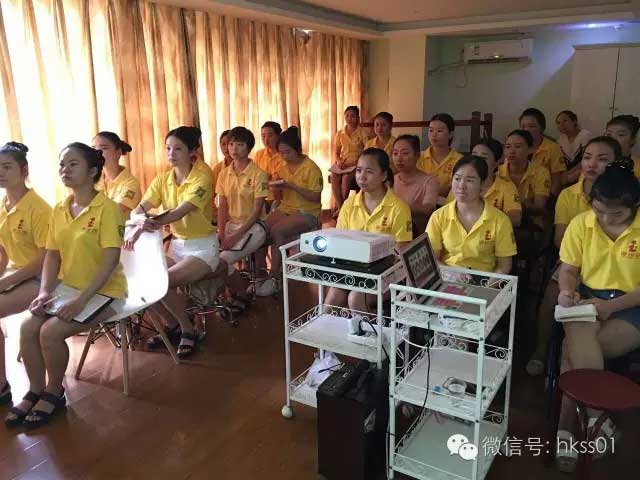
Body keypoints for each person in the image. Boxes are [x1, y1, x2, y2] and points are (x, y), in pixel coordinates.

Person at [5, 143, 126, 429]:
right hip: (68, 288)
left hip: (104, 291)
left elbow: (110, 261)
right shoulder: (60, 208)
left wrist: (81, 300)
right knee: (28, 327)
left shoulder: (107, 209)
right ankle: (35, 390)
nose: (65, 170)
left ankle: (54, 392)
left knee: (50, 332)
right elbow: (52, 255)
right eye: (62, 164)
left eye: (73, 164)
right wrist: (45, 291)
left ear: (92, 171)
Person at [555, 164, 640, 472]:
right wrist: (567, 291)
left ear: (634, 206)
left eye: (616, 215)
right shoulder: (582, 223)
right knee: (579, 338)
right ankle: (597, 418)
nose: (605, 220)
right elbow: (568, 270)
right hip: (588, 299)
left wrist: (611, 307)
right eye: (599, 211)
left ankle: (567, 426)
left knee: (572, 352)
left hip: (631, 305)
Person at [526, 136, 622, 377]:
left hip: (617, 264)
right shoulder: (569, 195)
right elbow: (560, 239)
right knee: (552, 297)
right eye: (587, 158)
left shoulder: (626, 196)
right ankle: (540, 349)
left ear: (617, 164)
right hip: (575, 260)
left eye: (602, 159)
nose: (592, 164)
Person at [126, 127, 217, 358]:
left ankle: (188, 329)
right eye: (168, 148)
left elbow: (179, 212)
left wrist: (146, 223)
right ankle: (173, 324)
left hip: (202, 247)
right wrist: (140, 221)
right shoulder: (163, 179)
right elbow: (138, 210)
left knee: (163, 283)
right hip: (177, 246)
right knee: (145, 282)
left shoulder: (202, 177)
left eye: (178, 149)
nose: (171, 154)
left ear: (192, 151)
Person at [325, 148, 412, 312]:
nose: (361, 177)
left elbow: (401, 250)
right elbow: (340, 240)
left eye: (369, 172)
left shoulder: (399, 208)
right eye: (359, 170)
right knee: (331, 302)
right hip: (353, 268)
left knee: (355, 298)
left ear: (384, 175)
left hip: (386, 272)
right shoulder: (349, 204)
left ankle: (371, 328)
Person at [0, 143, 51, 409]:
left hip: (44, 278)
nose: (1, 173)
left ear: (24, 170)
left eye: (7, 167)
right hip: (17, 274)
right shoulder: (4, 205)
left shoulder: (38, 209)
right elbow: (2, 252)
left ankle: (2, 386)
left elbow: (45, 258)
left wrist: (8, 281)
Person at [255, 126, 323, 297]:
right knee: (260, 229)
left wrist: (292, 186)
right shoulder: (282, 167)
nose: (285, 156)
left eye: (288, 152)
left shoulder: (311, 168)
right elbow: (279, 195)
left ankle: (275, 276)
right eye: (282, 153)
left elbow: (315, 198)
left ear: (297, 149)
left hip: (307, 211)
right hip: (286, 207)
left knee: (278, 231)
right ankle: (259, 273)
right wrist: (277, 186)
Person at [427, 155, 517, 275]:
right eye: (457, 178)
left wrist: (487, 285)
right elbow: (432, 259)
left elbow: (504, 266)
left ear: (483, 184)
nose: (461, 186)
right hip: (447, 277)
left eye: (469, 180)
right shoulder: (438, 217)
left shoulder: (500, 220)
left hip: (485, 279)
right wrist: (452, 276)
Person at [216, 127, 268, 308]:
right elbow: (222, 206)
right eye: (231, 144)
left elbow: (256, 212)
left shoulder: (258, 174)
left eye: (240, 144)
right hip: (231, 225)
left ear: (249, 147)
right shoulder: (224, 173)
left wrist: (234, 237)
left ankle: (240, 294)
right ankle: (235, 293)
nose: (234, 149)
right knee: (210, 260)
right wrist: (221, 232)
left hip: (254, 227)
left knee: (221, 262)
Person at [446, 138, 522, 227]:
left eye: (484, 158)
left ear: (496, 162)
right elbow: (447, 212)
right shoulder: (460, 185)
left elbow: (515, 218)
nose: (477, 161)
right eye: (474, 156)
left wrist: (481, 221)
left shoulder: (506, 186)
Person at [498, 129, 550, 228]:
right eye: (508, 147)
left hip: (531, 222)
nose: (512, 151)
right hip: (501, 221)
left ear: (531, 150)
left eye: (518, 146)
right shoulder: (497, 172)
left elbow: (539, 206)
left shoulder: (541, 172)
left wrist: (515, 205)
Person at [392, 135, 438, 235]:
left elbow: (428, 209)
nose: (399, 158)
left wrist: (398, 207)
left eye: (405, 153)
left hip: (417, 235)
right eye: (395, 153)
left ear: (417, 155)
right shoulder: (391, 180)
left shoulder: (429, 181)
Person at [92, 131, 142, 215]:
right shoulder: (92, 178)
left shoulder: (131, 184)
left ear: (118, 152)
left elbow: (114, 213)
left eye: (104, 148)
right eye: (93, 149)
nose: (97, 153)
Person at [330, 106, 368, 216]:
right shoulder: (340, 133)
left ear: (358, 118)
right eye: (347, 116)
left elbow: (367, 151)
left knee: (346, 178)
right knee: (333, 176)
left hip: (356, 163)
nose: (349, 119)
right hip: (342, 163)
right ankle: (340, 206)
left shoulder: (362, 132)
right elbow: (336, 152)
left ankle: (343, 208)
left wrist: (354, 163)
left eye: (352, 116)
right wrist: (338, 162)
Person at [520, 107, 566, 196]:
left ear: (541, 128)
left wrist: (549, 201)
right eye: (523, 127)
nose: (526, 130)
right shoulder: (518, 147)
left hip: (545, 196)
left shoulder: (552, 148)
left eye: (531, 126)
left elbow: (557, 182)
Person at [417, 113, 463, 198]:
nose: (434, 135)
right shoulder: (419, 157)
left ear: (451, 134)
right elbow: (416, 186)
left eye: (439, 131)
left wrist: (429, 189)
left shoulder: (459, 160)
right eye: (431, 130)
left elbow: (454, 189)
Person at [555, 110, 593, 184]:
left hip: (584, 168)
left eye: (565, 121)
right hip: (568, 171)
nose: (561, 125)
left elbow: (587, 159)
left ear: (574, 121)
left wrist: (570, 172)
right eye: (558, 123)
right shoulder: (560, 140)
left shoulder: (585, 136)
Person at [254, 121, 284, 211]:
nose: (266, 140)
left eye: (270, 135)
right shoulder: (259, 154)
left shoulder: (285, 154)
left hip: (281, 198)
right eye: (263, 136)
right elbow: (255, 178)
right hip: (261, 197)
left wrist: (265, 180)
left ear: (278, 136)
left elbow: (281, 181)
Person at [212, 130, 233, 221]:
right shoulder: (218, 169)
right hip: (223, 215)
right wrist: (216, 214)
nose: (226, 148)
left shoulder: (247, 167)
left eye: (229, 144)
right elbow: (211, 195)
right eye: (223, 144)